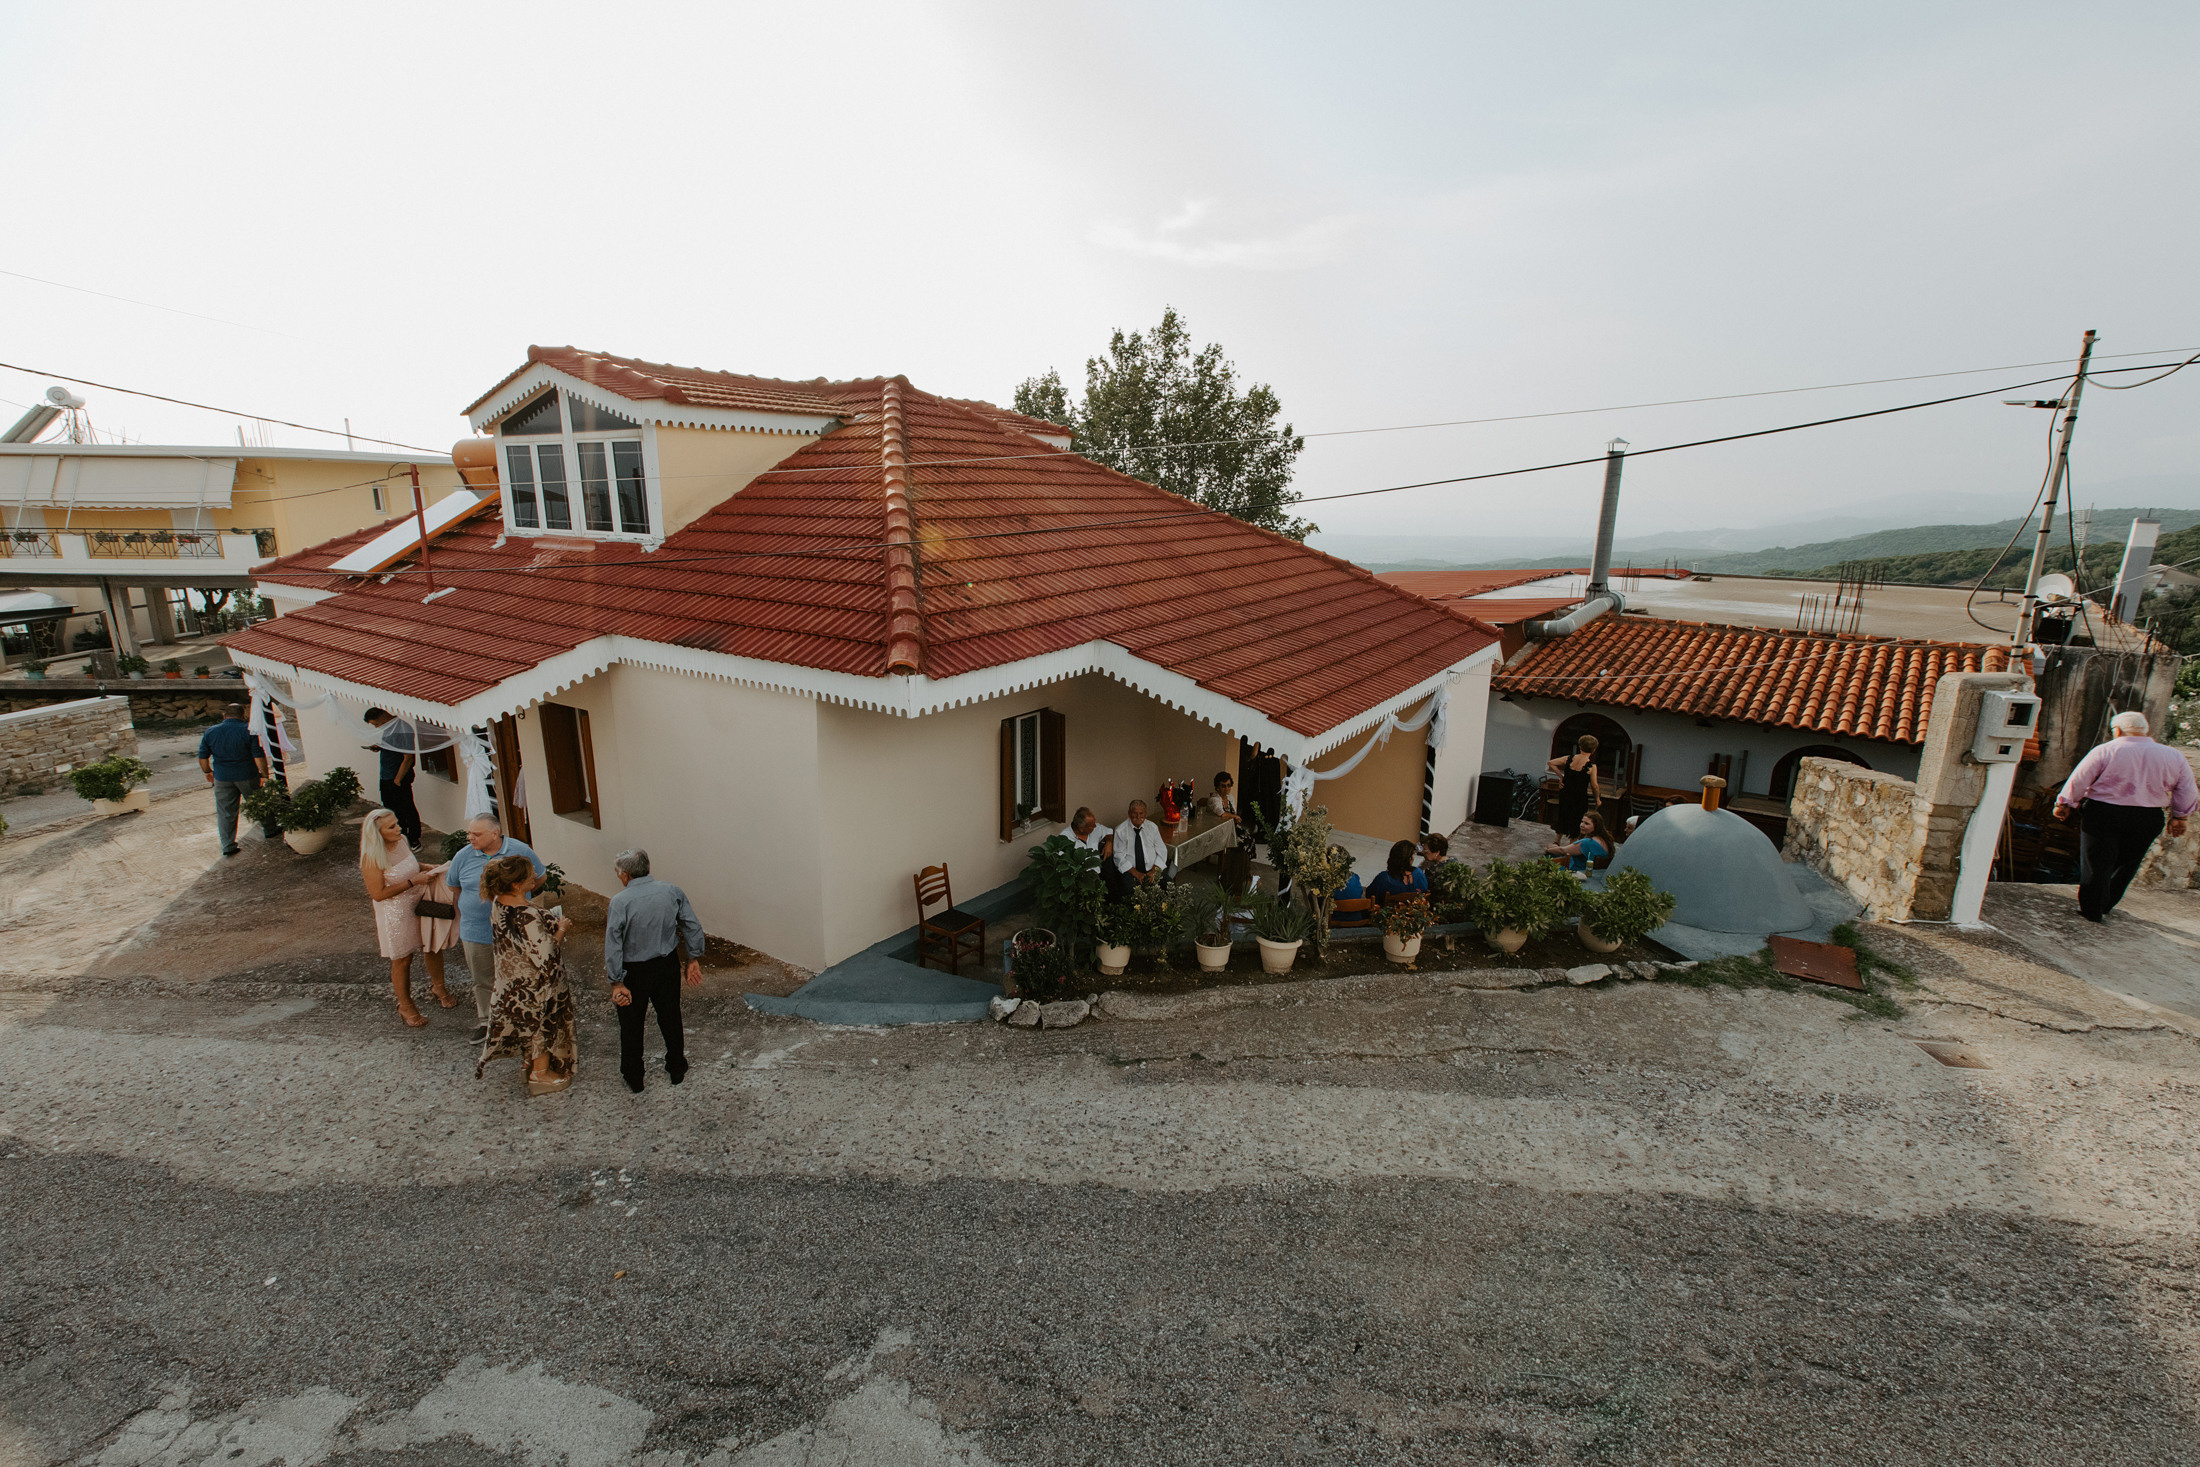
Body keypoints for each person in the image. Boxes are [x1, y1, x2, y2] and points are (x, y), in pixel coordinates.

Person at [2053, 711, 2197, 922]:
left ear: (2118, 731)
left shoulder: (2106, 750)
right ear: (2145, 731)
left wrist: (2064, 803)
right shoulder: (2173, 755)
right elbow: (2186, 788)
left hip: (2104, 812)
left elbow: (2080, 778)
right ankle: (2106, 904)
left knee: (2096, 862)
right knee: (2127, 863)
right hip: (2147, 816)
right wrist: (2180, 817)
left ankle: (2092, 909)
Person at [604, 849, 705, 1093]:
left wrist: (616, 981)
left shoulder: (620, 902)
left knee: (631, 1023)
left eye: (618, 872)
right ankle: (677, 1067)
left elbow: (614, 943)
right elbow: (691, 925)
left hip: (633, 971)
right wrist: (693, 958)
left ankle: (635, 1076)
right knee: (670, 1016)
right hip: (666, 965)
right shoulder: (671, 891)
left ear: (625, 875)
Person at [476, 853, 577, 1096]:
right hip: (535, 983)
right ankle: (539, 1074)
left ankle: (527, 1064)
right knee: (541, 1025)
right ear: (515, 884)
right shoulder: (527, 915)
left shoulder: (498, 902)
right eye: (529, 875)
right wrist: (561, 929)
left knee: (525, 1024)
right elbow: (547, 953)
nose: (535, 876)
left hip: (510, 979)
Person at [445, 815, 545, 1042]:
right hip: (476, 930)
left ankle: (520, 1020)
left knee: (519, 975)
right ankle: (487, 1022)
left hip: (514, 929)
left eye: (476, 834)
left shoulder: (520, 850)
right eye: (469, 833)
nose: (470, 837)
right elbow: (454, 886)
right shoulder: (463, 856)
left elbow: (538, 878)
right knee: (482, 978)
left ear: (495, 833)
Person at [359, 808, 456, 1027]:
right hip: (395, 911)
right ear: (378, 834)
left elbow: (409, 864)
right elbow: (378, 894)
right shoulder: (371, 858)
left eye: (397, 823)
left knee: (432, 945)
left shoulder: (402, 840)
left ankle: (438, 987)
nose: (399, 829)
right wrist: (413, 881)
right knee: (403, 959)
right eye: (392, 827)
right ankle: (405, 1005)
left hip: (419, 899)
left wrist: (425, 867)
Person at [196, 703, 271, 857]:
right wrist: (264, 775)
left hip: (222, 777)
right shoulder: (248, 730)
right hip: (247, 775)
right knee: (258, 803)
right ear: (243, 715)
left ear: (224, 715)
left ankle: (228, 845)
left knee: (225, 812)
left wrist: (208, 772)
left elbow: (203, 757)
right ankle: (270, 829)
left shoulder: (210, 732)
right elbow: (258, 755)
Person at [362, 708, 422, 848]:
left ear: (383, 716)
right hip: (386, 775)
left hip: (397, 777)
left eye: (376, 724)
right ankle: (399, 837)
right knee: (391, 810)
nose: (377, 727)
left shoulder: (403, 729)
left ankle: (413, 839)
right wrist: (380, 747)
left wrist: (398, 779)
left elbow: (408, 757)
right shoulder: (388, 728)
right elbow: (394, 747)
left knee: (406, 808)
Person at [1110, 800, 1168, 898]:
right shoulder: (1120, 831)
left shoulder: (1152, 827)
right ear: (1129, 814)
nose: (1138, 816)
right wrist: (1137, 874)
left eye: (1141, 813)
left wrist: (1153, 871)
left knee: (1168, 885)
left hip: (1152, 868)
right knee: (1130, 891)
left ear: (1146, 814)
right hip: (1131, 871)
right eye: (1135, 813)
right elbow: (1119, 857)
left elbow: (1162, 851)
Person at [1547, 735, 1601, 840]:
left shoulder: (1569, 758)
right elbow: (1594, 786)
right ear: (1594, 750)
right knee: (1577, 819)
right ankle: (1572, 843)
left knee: (1563, 816)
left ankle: (1557, 840)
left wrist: (1561, 776)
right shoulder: (1591, 766)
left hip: (1566, 793)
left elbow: (1551, 763)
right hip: (1579, 796)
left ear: (1580, 746)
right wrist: (1597, 799)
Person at [1546, 811, 1616, 873]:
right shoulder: (1605, 839)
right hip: (1595, 871)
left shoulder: (1587, 842)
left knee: (1549, 856)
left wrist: (1548, 850)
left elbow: (1562, 850)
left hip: (1579, 872)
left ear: (1596, 826)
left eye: (1586, 823)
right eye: (1582, 822)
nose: (1582, 825)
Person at [1366, 839, 1430, 905]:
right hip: (1415, 910)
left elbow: (1370, 896)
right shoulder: (1419, 874)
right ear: (1410, 859)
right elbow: (1424, 893)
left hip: (1390, 911)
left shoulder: (1383, 878)